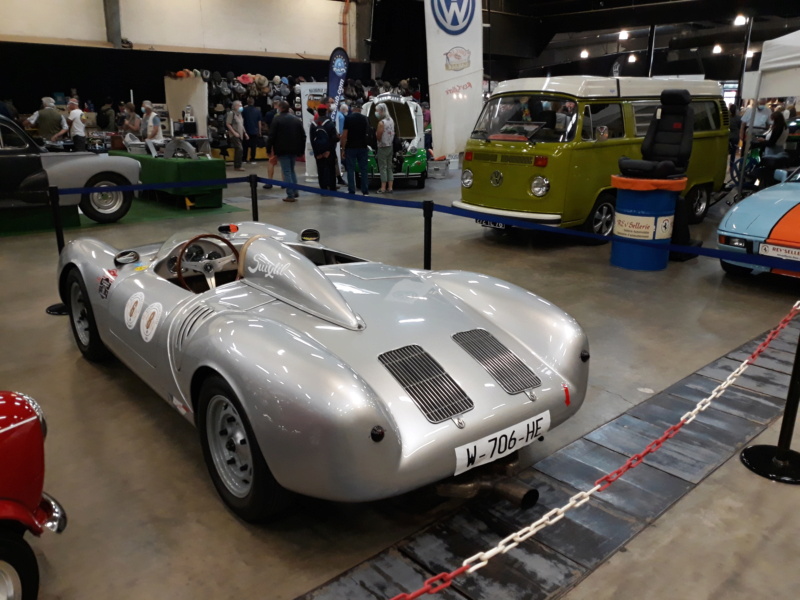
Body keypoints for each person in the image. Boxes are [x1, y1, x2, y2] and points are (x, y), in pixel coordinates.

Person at [268, 101, 306, 202]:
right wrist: (301, 150)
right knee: (292, 170)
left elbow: (271, 136)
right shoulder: (296, 120)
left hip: (282, 149)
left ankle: (290, 195)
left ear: (280, 108)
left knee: (287, 171)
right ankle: (295, 190)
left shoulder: (277, 120)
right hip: (294, 149)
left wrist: (269, 149)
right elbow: (303, 136)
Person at [340, 100, 370, 195]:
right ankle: (365, 190)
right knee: (364, 169)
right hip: (363, 147)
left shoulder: (348, 118)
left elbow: (344, 135)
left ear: (352, 109)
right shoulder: (365, 119)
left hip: (351, 147)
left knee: (350, 169)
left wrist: (343, 148)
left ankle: (351, 190)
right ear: (360, 109)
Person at [310, 104, 339, 191]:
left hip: (318, 152)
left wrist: (317, 153)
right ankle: (332, 187)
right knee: (331, 170)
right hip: (329, 152)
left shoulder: (313, 124)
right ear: (326, 112)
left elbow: (312, 140)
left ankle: (323, 188)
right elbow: (334, 138)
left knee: (321, 170)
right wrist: (329, 151)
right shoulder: (330, 123)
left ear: (318, 112)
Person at [374, 102, 395, 194]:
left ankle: (383, 188)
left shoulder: (381, 123)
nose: (376, 112)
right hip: (390, 145)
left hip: (382, 147)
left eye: (377, 111)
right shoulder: (391, 120)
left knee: (382, 167)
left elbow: (378, 136)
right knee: (389, 167)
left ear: (381, 111)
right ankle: (390, 187)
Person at [262, 99, 281, 189]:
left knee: (271, 162)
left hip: (273, 139)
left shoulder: (269, 114)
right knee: (284, 163)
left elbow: (265, 125)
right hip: (283, 141)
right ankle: (284, 183)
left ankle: (269, 181)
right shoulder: (286, 114)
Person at [225, 100, 247, 171]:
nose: (241, 107)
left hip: (240, 134)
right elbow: (228, 124)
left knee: (238, 150)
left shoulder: (240, 114)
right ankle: (237, 166)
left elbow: (241, 125)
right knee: (239, 149)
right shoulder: (231, 113)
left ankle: (238, 165)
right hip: (234, 135)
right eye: (239, 105)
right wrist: (234, 133)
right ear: (235, 106)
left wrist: (245, 133)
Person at [242, 97, 262, 165]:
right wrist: (259, 131)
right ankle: (252, 159)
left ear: (247, 102)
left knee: (245, 146)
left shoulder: (244, 110)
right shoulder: (257, 111)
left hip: (246, 130)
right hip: (254, 130)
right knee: (253, 146)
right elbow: (259, 122)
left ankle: (244, 159)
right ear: (253, 102)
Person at [728, 103, 742, 169]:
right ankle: (731, 165)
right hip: (736, 136)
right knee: (733, 152)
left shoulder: (728, 118)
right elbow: (740, 127)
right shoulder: (739, 118)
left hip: (729, 136)